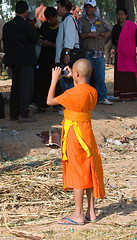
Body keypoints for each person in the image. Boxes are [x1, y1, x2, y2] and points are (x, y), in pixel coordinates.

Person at [47, 59, 105, 225]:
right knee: (88, 168)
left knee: (78, 172)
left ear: (76, 73)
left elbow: (49, 101)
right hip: (87, 132)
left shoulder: (71, 94)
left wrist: (54, 79)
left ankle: (78, 213)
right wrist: (76, 76)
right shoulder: (93, 92)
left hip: (74, 134)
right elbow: (82, 88)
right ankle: (91, 211)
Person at [3, 1, 39, 122]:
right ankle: (23, 114)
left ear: (15, 11)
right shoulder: (26, 26)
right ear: (25, 11)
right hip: (26, 61)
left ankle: (13, 114)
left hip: (13, 61)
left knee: (15, 87)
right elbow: (35, 37)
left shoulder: (7, 26)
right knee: (25, 87)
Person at [78, 0, 113, 105]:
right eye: (86, 7)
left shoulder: (100, 21)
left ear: (95, 8)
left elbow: (110, 30)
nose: (88, 9)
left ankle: (102, 97)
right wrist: (88, 34)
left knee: (100, 76)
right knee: (85, 77)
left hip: (99, 53)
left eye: (90, 7)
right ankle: (86, 98)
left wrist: (105, 34)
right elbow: (78, 36)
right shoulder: (81, 21)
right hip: (87, 53)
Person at [35, 7, 60, 113]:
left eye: (51, 19)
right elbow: (39, 37)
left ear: (56, 17)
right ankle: (42, 105)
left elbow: (61, 45)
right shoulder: (44, 26)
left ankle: (57, 104)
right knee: (42, 82)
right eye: (47, 19)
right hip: (44, 59)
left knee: (57, 82)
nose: (49, 21)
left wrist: (50, 44)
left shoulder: (61, 27)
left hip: (56, 59)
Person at [111, 7, 137, 100]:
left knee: (130, 74)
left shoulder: (133, 26)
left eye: (122, 14)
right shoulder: (115, 28)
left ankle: (132, 95)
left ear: (126, 15)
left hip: (130, 55)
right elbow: (114, 41)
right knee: (121, 75)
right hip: (120, 55)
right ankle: (123, 96)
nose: (120, 16)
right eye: (118, 14)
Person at [55, 0, 80, 92]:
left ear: (64, 8)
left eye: (58, 7)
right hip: (65, 55)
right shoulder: (65, 19)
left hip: (68, 55)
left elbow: (69, 39)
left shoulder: (69, 19)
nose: (57, 9)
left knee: (68, 83)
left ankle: (71, 105)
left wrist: (67, 53)